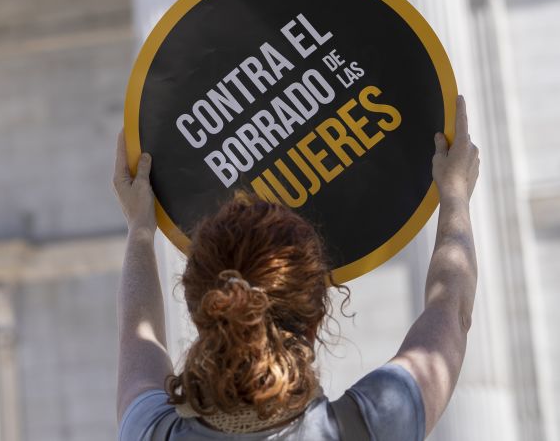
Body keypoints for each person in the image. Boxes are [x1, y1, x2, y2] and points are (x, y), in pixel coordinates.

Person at [114, 95, 481, 440]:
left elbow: (136, 326)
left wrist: (140, 227)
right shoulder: (373, 423)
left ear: (204, 311)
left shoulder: (150, 432)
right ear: (315, 319)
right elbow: (451, 308)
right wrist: (454, 192)